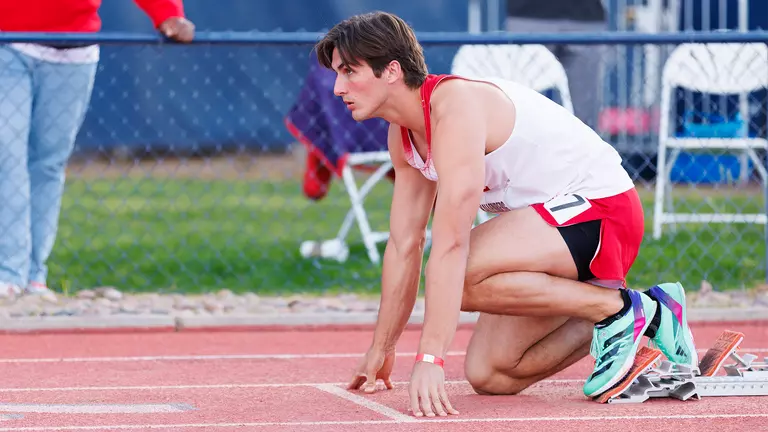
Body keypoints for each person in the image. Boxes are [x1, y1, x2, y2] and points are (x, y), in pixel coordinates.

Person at [313, 11, 699, 418]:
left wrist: (430, 359)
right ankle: (643, 310)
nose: (338, 87)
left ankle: (619, 310)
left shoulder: (454, 107)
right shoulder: (404, 133)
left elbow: (451, 244)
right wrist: (383, 346)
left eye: (348, 72)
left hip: (604, 210)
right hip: (551, 233)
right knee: (491, 374)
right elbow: (403, 245)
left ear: (391, 70)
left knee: (457, 271)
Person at [0, 0, 195, 298]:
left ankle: (34, 276)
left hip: (75, 51)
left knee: (48, 163)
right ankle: (8, 274)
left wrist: (169, 14)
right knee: (7, 155)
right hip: (8, 42)